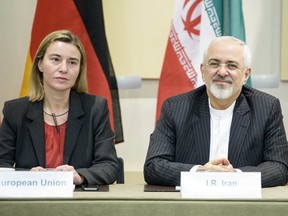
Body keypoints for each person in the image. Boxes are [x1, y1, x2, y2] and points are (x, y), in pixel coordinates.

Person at [144, 36, 288, 188]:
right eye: (214, 64)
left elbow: (279, 168)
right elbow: (153, 167)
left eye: (231, 66)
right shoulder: (175, 108)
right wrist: (201, 173)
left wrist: (234, 177)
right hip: (190, 206)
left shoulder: (266, 108)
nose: (222, 72)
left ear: (246, 75)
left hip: (245, 206)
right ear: (202, 70)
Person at [0, 30, 119, 186]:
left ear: (79, 69)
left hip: (77, 204)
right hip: (30, 201)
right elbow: (2, 164)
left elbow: (109, 166)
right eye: (56, 59)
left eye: (72, 62)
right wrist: (26, 176)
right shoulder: (15, 111)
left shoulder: (95, 109)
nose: (64, 68)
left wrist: (80, 176)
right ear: (40, 64)